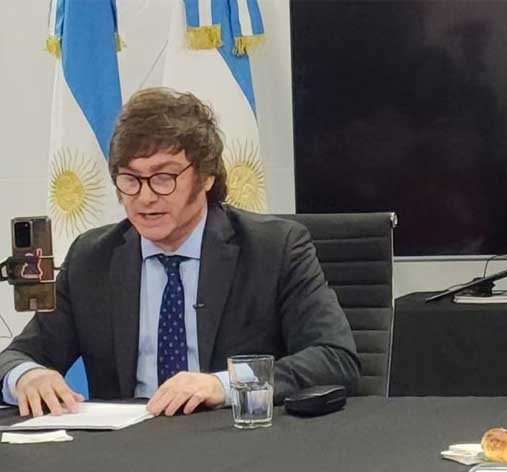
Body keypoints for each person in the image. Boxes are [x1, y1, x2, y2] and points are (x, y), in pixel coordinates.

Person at [0, 88, 360, 417]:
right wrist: (27, 376)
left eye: (163, 178)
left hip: (234, 442)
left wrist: (223, 384)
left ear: (206, 176)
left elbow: (335, 359)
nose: (145, 197)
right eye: (130, 179)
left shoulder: (274, 248)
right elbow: (17, 356)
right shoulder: (92, 258)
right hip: (125, 451)